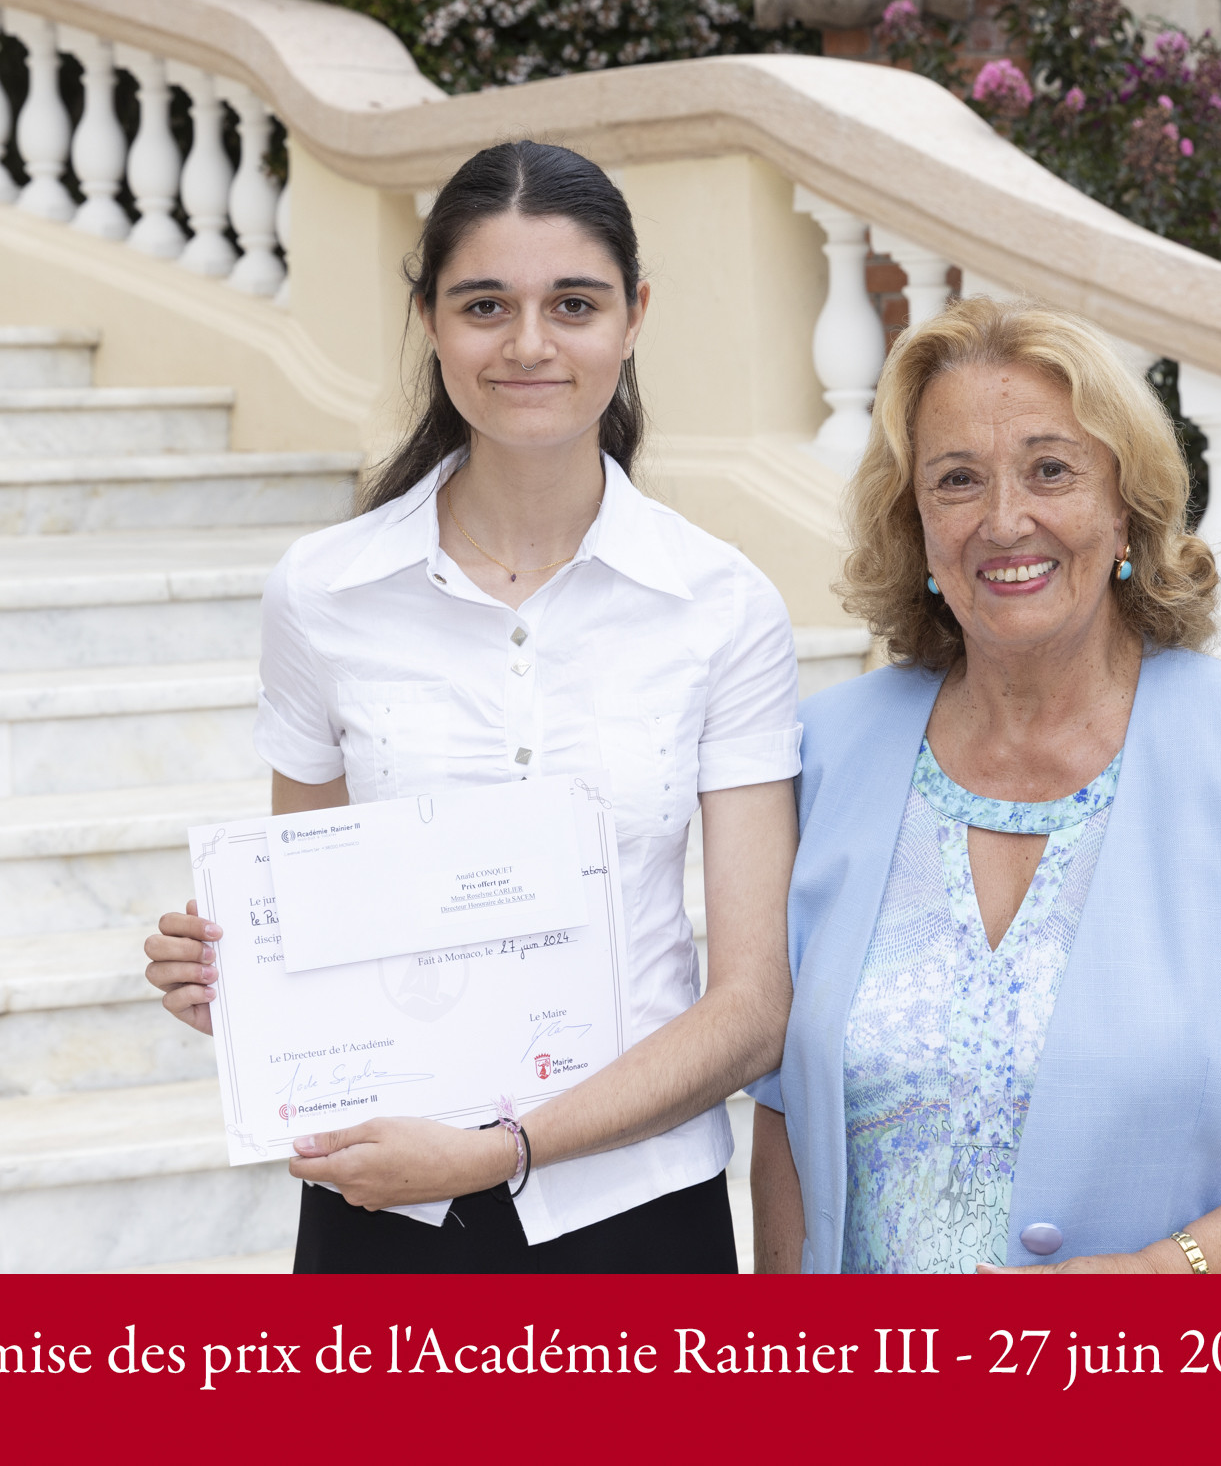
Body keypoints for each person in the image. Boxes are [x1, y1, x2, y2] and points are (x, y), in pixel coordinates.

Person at [144, 140, 799, 1273]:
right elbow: (315, 916)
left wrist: (501, 1150)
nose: (529, 343)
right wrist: (234, 979)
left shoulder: (723, 604)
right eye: (485, 304)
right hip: (384, 1205)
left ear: (634, 318)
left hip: (639, 1208)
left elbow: (752, 1005)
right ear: (430, 320)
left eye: (574, 304)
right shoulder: (322, 592)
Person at [750, 296, 1221, 1275]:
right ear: (917, 524)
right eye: (956, 479)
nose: (1004, 520)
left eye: (1050, 469)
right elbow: (785, 1112)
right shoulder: (825, 751)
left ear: (1125, 509)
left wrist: (1164, 1276)